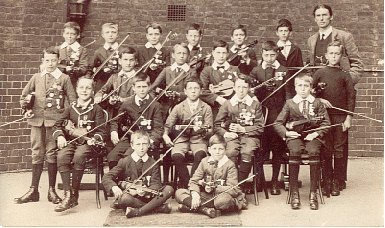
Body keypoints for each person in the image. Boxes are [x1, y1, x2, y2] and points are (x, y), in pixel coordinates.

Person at [15, 46, 76, 205]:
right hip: (36, 121)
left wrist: (65, 118)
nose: (50, 63)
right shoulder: (36, 77)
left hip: (54, 124)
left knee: (51, 153)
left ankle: (51, 190)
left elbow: (72, 101)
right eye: (47, 60)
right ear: (43, 61)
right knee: (36, 152)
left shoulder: (64, 78)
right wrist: (25, 109)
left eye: (53, 60)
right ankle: (33, 190)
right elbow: (24, 96)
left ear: (58, 61)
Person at [274, 73, 330, 210]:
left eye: (306, 86)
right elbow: (278, 123)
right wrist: (287, 133)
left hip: (313, 136)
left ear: (311, 87)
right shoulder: (290, 103)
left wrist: (316, 133)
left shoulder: (317, 103)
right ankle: (294, 193)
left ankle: (313, 194)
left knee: (313, 151)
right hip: (295, 136)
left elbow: (326, 123)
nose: (303, 89)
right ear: (295, 87)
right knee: (295, 151)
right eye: (300, 85)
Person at [52, 76, 106, 212]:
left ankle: (74, 194)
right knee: (62, 155)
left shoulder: (97, 109)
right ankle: (68, 195)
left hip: (89, 145)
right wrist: (59, 136)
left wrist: (95, 138)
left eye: (88, 88)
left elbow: (102, 131)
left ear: (93, 91)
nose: (84, 90)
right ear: (76, 90)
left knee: (79, 155)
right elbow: (57, 125)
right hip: (72, 142)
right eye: (81, 87)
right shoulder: (71, 108)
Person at [313, 41, 356, 196]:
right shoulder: (319, 73)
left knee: (339, 149)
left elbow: (351, 97)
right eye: (331, 53)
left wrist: (348, 118)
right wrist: (320, 100)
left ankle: (338, 180)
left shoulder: (345, 75)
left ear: (341, 55)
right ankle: (326, 180)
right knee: (325, 148)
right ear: (326, 55)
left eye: (337, 53)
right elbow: (312, 94)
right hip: (323, 118)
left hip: (340, 117)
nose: (333, 56)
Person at [102, 130, 174, 218]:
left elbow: (156, 184)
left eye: (144, 144)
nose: (141, 148)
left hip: (148, 197)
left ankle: (138, 211)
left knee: (169, 189)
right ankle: (157, 208)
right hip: (132, 198)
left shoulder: (153, 163)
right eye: (138, 144)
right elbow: (107, 177)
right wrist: (115, 187)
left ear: (148, 145)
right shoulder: (124, 161)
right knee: (125, 199)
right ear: (132, 145)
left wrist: (146, 191)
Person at [175, 134, 247, 218]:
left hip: (220, 195)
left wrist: (215, 187)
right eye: (214, 149)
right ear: (209, 150)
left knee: (223, 201)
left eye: (220, 149)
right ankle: (205, 209)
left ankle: (193, 207)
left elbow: (233, 189)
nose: (217, 152)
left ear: (225, 151)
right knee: (179, 193)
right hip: (205, 195)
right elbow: (193, 181)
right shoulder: (204, 161)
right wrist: (195, 195)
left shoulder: (230, 165)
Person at [249, 41, 289, 195]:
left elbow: (288, 95)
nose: (270, 58)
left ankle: (274, 182)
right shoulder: (256, 70)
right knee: (260, 149)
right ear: (262, 54)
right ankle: (259, 181)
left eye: (273, 55)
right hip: (262, 116)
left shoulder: (283, 70)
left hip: (278, 115)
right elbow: (251, 93)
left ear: (277, 54)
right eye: (266, 55)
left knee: (277, 149)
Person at [214, 76, 264, 190]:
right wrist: (226, 133)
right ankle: (232, 183)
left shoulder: (255, 104)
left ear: (249, 89)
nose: (241, 90)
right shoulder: (227, 104)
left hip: (250, 137)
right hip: (232, 137)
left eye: (244, 87)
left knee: (247, 151)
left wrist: (243, 129)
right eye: (238, 87)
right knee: (230, 151)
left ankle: (239, 186)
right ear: (234, 88)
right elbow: (216, 125)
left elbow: (260, 128)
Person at [163, 77, 213, 188]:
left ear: (200, 90)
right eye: (190, 88)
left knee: (200, 154)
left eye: (196, 88)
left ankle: (193, 182)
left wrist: (203, 131)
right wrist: (166, 136)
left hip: (199, 139)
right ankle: (186, 183)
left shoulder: (206, 108)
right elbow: (167, 125)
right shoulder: (179, 107)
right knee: (176, 156)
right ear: (185, 91)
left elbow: (210, 130)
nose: (193, 91)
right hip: (181, 139)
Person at [107, 74, 164, 170]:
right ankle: (117, 183)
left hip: (146, 140)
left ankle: (130, 183)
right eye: (138, 87)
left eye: (144, 87)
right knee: (112, 157)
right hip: (129, 138)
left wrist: (150, 141)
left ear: (149, 87)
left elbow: (158, 129)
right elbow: (115, 120)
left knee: (128, 157)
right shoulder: (127, 104)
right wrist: (113, 131)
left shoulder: (155, 105)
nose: (141, 90)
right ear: (133, 88)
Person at [308, 4, 364, 85]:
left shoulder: (344, 36)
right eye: (318, 15)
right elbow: (309, 65)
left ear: (331, 17)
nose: (321, 18)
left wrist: (347, 81)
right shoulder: (311, 40)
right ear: (315, 19)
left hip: (339, 87)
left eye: (324, 15)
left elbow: (358, 64)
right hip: (318, 87)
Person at [150, 42, 198, 115]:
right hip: (166, 106)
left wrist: (179, 94)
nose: (181, 56)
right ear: (173, 55)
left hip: (185, 106)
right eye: (178, 53)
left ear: (188, 56)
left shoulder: (191, 72)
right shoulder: (167, 70)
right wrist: (162, 92)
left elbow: (192, 91)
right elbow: (153, 87)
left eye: (184, 53)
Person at [200, 40, 240, 117]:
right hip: (213, 110)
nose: (221, 56)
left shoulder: (235, 69)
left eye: (224, 53)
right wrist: (218, 99)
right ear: (213, 53)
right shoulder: (207, 71)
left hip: (231, 109)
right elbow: (202, 91)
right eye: (218, 53)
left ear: (228, 54)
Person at [275, 19, 304, 99]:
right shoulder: (272, 49)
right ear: (277, 33)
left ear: (290, 33)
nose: (283, 33)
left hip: (291, 85)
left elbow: (300, 69)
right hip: (277, 85)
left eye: (286, 31)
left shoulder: (296, 49)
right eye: (281, 31)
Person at [90, 22, 121, 92]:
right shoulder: (98, 52)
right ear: (103, 35)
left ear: (117, 35)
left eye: (113, 32)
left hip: (118, 83)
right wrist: (102, 69)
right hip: (102, 83)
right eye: (107, 32)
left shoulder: (122, 50)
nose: (110, 35)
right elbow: (92, 69)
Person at [57, 22, 88, 88]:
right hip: (59, 82)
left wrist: (73, 70)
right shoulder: (58, 49)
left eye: (72, 34)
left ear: (78, 35)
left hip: (74, 82)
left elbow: (84, 68)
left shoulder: (82, 50)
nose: (69, 36)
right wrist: (64, 68)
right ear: (63, 34)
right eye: (67, 33)